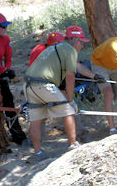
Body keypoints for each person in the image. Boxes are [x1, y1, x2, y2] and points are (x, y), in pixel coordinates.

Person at [24, 27, 89, 160]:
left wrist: (94, 75)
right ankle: (73, 144)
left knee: (36, 118)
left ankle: (37, 153)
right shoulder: (70, 50)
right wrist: (70, 99)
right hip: (43, 84)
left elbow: (76, 68)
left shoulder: (53, 48)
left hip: (28, 84)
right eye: (81, 42)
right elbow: (71, 77)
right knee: (68, 110)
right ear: (75, 40)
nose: (82, 45)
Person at [0, 13, 27, 145]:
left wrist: (6, 70)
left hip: (1, 73)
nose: (5, 28)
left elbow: (8, 59)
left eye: (6, 25)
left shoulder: (5, 39)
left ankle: (17, 134)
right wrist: (4, 70)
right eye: (3, 26)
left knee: (9, 103)